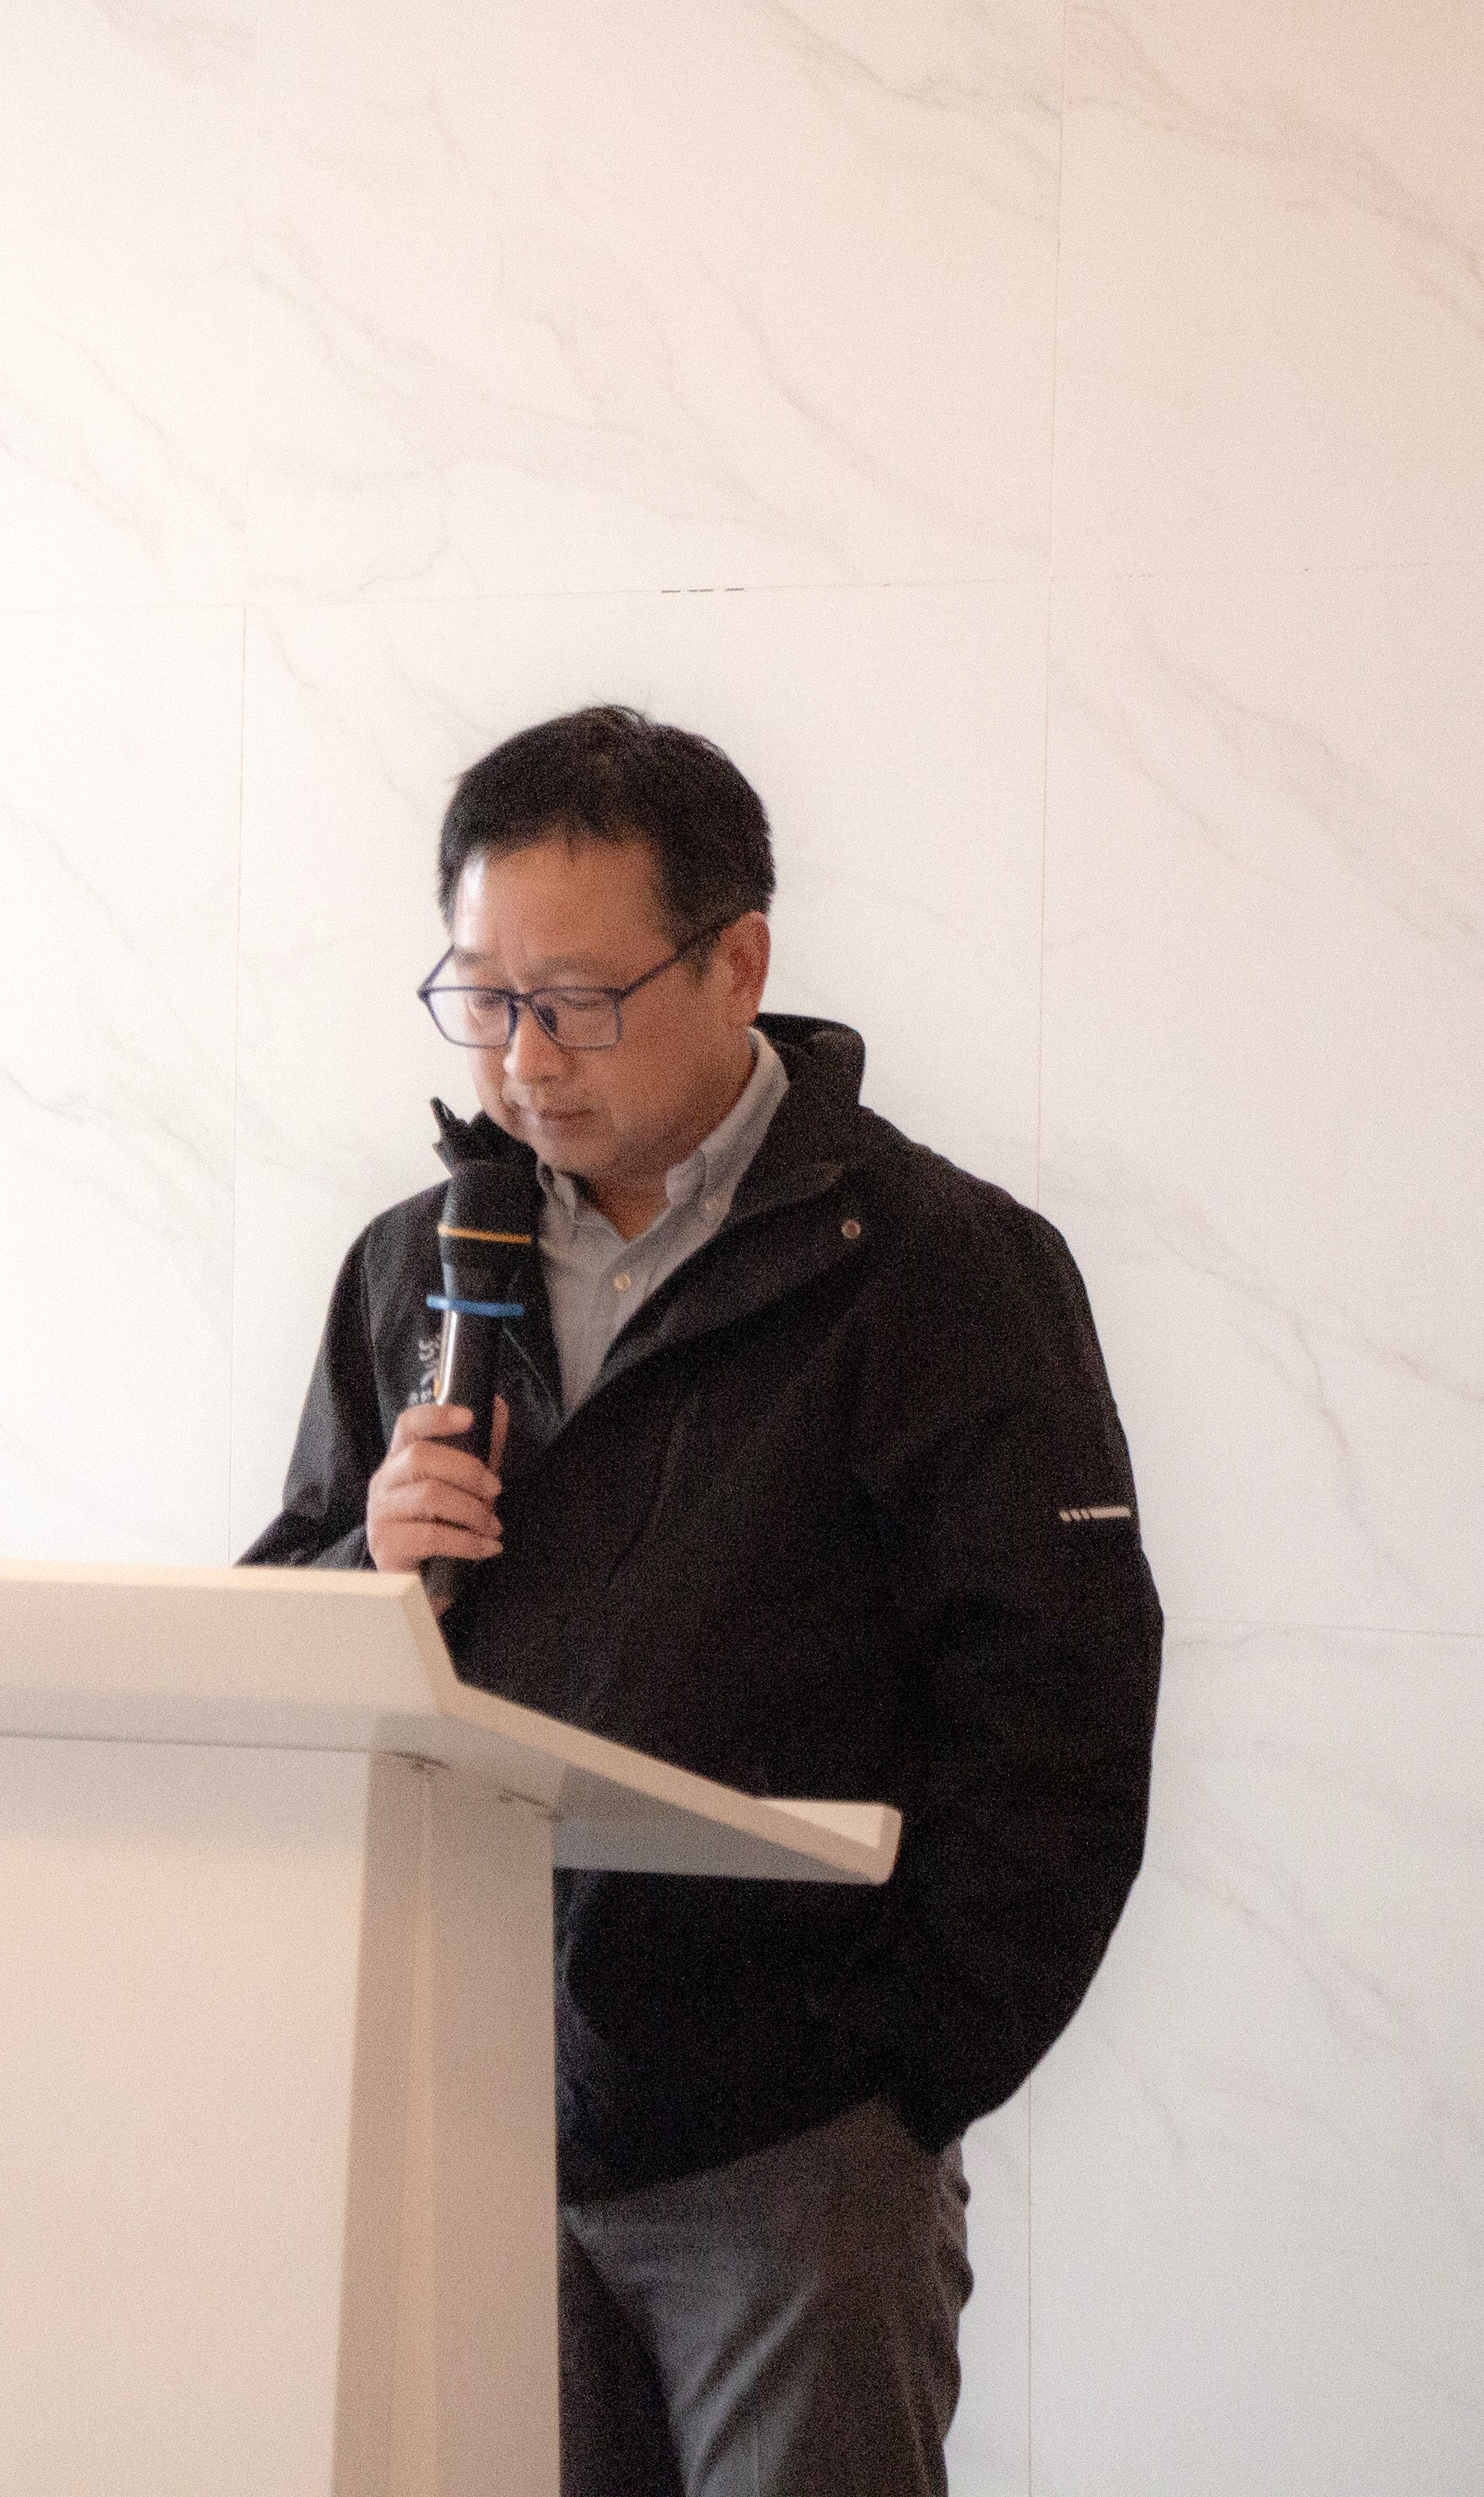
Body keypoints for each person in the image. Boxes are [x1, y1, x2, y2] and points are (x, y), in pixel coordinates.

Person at [241, 706, 1159, 2497]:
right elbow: (279, 1646)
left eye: (576, 1001)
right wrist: (371, 1568)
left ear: (739, 963)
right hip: (470, 2116)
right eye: (481, 998)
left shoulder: (941, 1272)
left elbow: (1060, 1707)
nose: (524, 1060)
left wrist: (898, 2079)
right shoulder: (416, 1269)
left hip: (791, 2155)